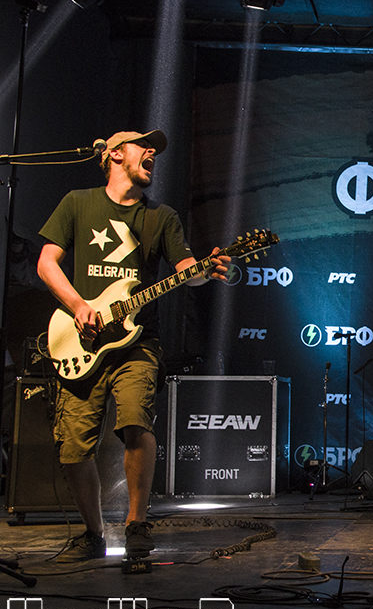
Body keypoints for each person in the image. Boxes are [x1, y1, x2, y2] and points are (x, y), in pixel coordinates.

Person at [36, 129, 232, 562]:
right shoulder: (77, 203)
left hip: (138, 340)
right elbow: (46, 263)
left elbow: (186, 270)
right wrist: (78, 305)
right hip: (81, 338)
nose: (152, 154)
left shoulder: (161, 216)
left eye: (155, 150)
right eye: (144, 146)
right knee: (72, 447)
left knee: (135, 422)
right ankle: (92, 534)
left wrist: (204, 269)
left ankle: (137, 524)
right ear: (114, 154)